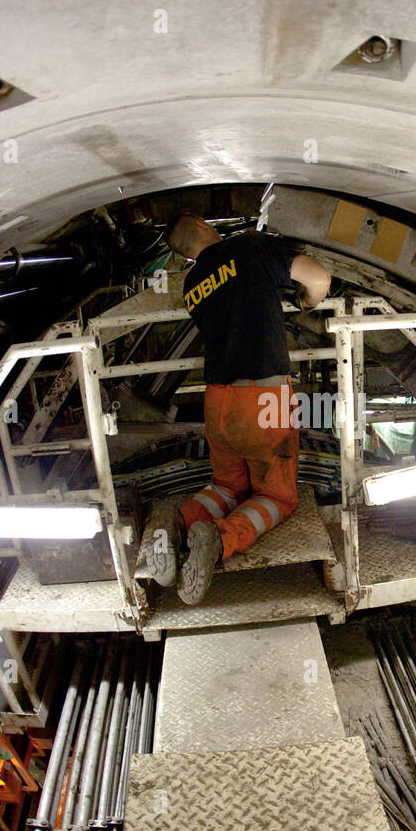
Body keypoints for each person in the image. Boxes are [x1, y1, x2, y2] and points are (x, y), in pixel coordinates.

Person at [135, 213, 331, 604]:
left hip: (218, 401)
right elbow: (319, 279)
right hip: (262, 396)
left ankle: (180, 521)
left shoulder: (193, 284)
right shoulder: (247, 246)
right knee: (278, 496)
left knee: (228, 485)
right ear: (207, 227)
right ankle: (220, 539)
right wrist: (307, 302)